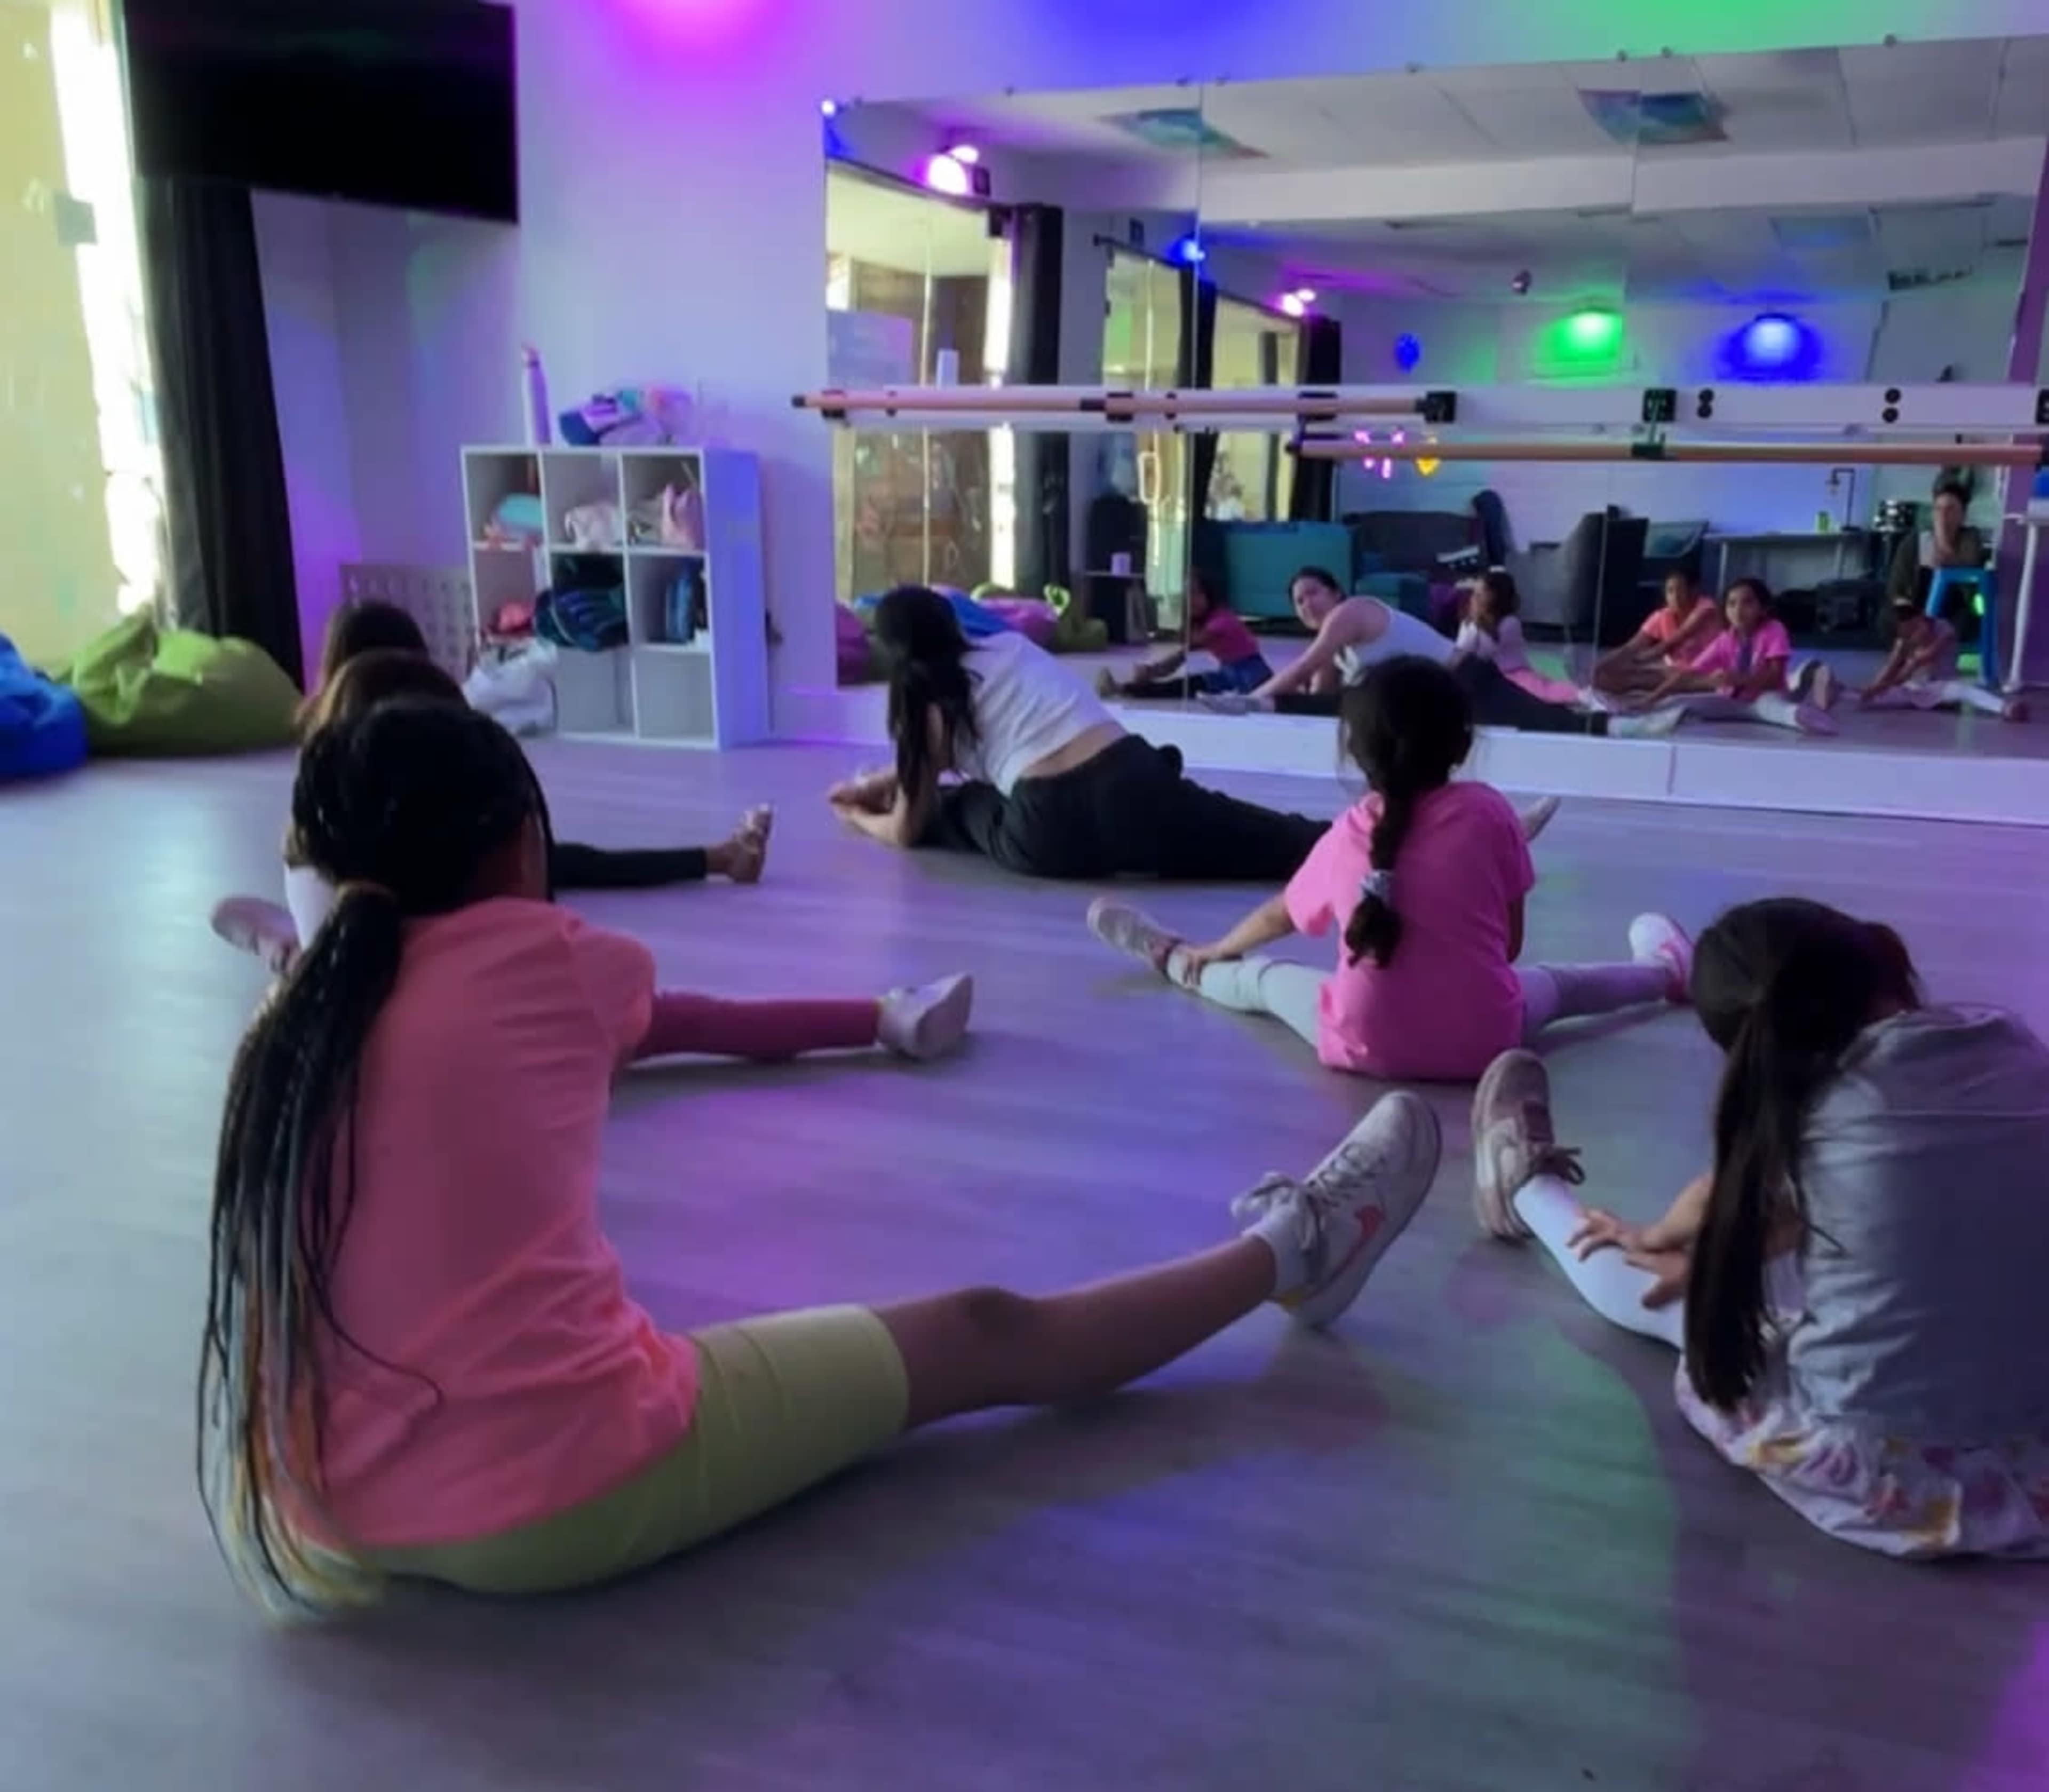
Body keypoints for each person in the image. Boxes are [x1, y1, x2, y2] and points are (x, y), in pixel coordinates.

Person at [197, 697, 1446, 1612]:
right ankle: (1299, 1245)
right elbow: (683, 1023)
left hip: (328, 1507)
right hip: (548, 1497)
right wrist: (874, 1014)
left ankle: (1293, 1246)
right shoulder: (561, 966)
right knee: (980, 1327)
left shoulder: (295, 1016)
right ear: (522, 846)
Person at [1468, 898, 2049, 1560]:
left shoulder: (1820, 1116)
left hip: (1894, 1459)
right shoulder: (2013, 1043)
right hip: (2035, 1433)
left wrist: (1657, 1239)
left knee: (1687, 1306)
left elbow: (1725, 1204)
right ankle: (1654, 966)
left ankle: (1526, 1192)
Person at [1085, 659, 1689, 1082]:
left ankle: (1176, 957)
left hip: (1357, 1043)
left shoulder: (1347, 834)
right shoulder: (1488, 812)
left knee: (1261, 981)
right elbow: (1510, 947)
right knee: (1567, 985)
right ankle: (1668, 972)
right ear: (1463, 744)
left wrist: (1219, 945)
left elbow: (1277, 915)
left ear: (1355, 751)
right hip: (1483, 1043)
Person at [211, 615, 770, 971]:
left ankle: (719, 856)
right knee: (302, 953)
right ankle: (281, 946)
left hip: (358, 949)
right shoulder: (344, 816)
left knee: (564, 861)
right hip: (350, 961)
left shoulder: (332, 800)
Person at [829, 584, 1332, 882]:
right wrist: (877, 782)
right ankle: (1357, 844)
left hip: (1047, 830)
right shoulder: (1009, 647)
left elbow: (905, 829)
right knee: (1267, 836)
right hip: (1134, 783)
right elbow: (926, 764)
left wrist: (858, 814)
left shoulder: (922, 703)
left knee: (957, 805)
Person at [1202, 566, 1675, 740]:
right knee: (1354, 703)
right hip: (1427, 697)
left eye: (1313, 594)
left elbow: (1307, 665)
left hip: (1464, 679)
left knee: (1546, 719)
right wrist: (1280, 708)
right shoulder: (1341, 643)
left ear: (1335, 592)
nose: (1306, 605)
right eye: (1298, 602)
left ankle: (1622, 725)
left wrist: (1256, 698)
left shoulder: (1350, 613)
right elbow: (1324, 691)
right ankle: (1256, 702)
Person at [1629, 578, 1836, 736]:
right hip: (1731, 701)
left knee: (1785, 708)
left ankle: (1820, 683)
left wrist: (1737, 679)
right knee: (1679, 702)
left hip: (1766, 696)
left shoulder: (1773, 630)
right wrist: (1651, 698)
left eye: (1748, 603)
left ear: (1763, 608)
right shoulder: (1725, 640)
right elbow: (1686, 674)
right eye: (1732, 604)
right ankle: (1633, 720)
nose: (1738, 610)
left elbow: (1774, 677)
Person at [1841, 593, 2028, 722]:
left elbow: (1914, 665)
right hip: (1914, 689)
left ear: (1922, 616)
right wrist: (1875, 688)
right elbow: (1891, 667)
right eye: (1907, 636)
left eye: (1915, 630)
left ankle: (2004, 708)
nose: (1913, 638)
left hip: (1942, 689)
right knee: (1875, 698)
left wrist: (1882, 686)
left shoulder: (1944, 631)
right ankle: (1837, 694)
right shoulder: (1904, 642)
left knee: (1964, 690)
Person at [1096, 572, 1275, 701]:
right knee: (1182, 686)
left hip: (1252, 676)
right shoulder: (1207, 620)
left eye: (1197, 594)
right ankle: (1123, 689)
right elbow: (1181, 655)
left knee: (1181, 687)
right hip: (1229, 674)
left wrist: (1151, 671)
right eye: (1188, 595)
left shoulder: (1221, 621)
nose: (1192, 600)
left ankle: (1122, 689)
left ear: (1208, 594)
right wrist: (1152, 671)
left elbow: (1183, 653)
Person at [1454, 570, 1586, 708]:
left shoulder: (1510, 623)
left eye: (1479, 595)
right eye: (1474, 594)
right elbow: (1462, 649)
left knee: (1544, 692)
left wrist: (1475, 626)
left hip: (1513, 672)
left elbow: (1488, 651)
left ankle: (1584, 696)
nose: (1473, 599)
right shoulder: (1469, 624)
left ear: (1494, 597)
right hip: (1488, 676)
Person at [1592, 569, 1721, 697]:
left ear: (1694, 591)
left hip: (1706, 673)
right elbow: (1631, 647)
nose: (1675, 596)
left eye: (1680, 590)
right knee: (1613, 675)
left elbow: (1674, 641)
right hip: (1676, 672)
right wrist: (1603, 665)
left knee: (1639, 679)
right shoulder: (1662, 616)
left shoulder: (1706, 609)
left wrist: (1639, 661)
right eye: (1670, 591)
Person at [1887, 476, 1987, 611]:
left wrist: (1944, 543)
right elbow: (1897, 590)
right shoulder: (1914, 543)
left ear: (1963, 516)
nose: (1943, 516)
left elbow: (1976, 603)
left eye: (1950, 510)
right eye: (1938, 509)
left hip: (1955, 621)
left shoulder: (1971, 540)